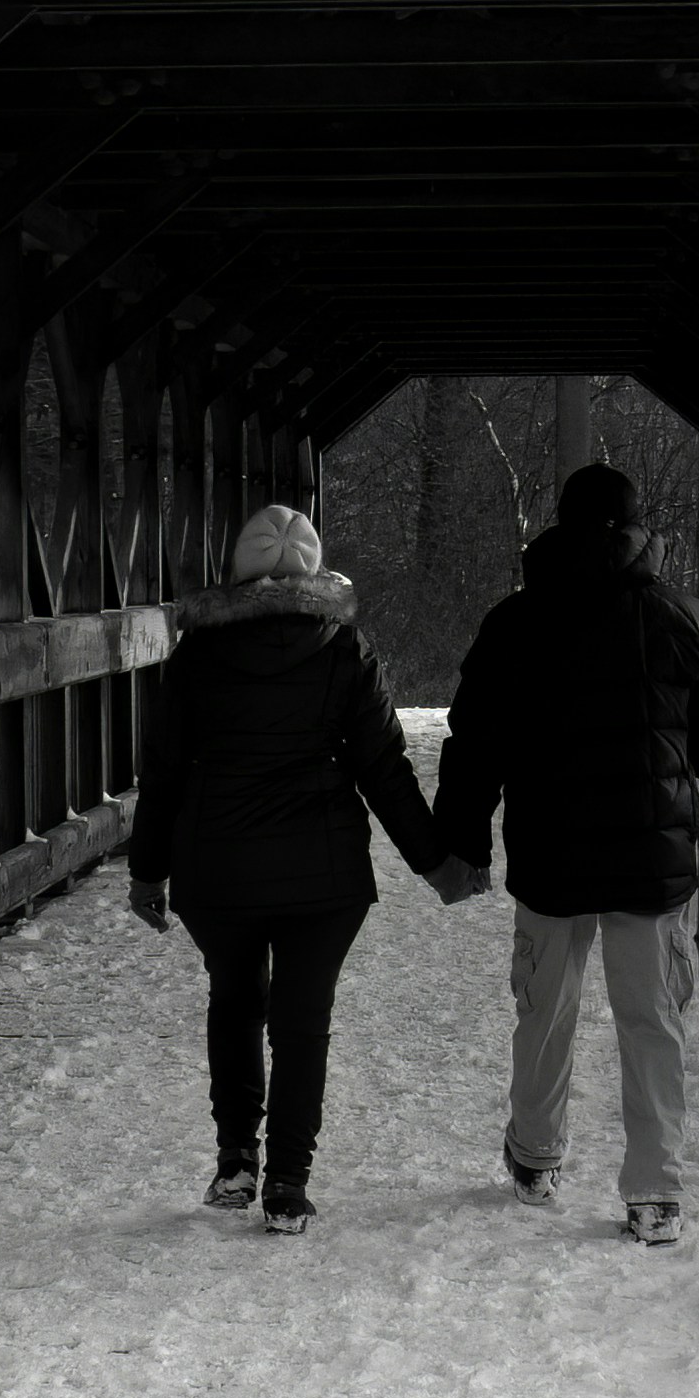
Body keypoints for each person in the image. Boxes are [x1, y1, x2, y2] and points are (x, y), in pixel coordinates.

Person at [434, 459, 699, 1246]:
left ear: (559, 526)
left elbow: (474, 742)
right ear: (638, 529)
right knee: (652, 1018)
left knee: (546, 1008)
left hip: (550, 856)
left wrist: (461, 841)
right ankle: (654, 1192)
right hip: (654, 863)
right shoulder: (687, 618)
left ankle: (537, 1157)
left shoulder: (513, 623)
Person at [124, 503, 468, 1234]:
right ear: (314, 572)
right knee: (303, 1022)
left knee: (235, 999)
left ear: (239, 571)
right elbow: (382, 765)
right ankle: (287, 1183)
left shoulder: (197, 657)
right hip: (324, 874)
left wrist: (147, 872)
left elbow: (163, 773)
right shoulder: (344, 649)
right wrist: (434, 861)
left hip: (218, 867)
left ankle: (235, 1156)